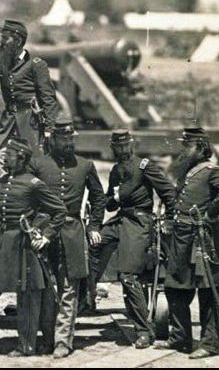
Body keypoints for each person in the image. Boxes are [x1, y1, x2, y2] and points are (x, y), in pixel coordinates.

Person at [0, 138, 69, 356]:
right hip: (5, 244)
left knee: (27, 295)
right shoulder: (3, 181)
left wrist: (45, 236)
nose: (5, 158)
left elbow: (60, 211)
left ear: (21, 158)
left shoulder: (34, 183)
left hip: (25, 245)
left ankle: (26, 346)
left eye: (9, 155)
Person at [156, 126, 219, 359]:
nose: (183, 150)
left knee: (209, 292)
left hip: (203, 239)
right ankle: (180, 339)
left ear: (201, 148)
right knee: (175, 288)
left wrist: (210, 214)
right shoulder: (188, 170)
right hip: (182, 239)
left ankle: (210, 344)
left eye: (188, 146)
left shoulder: (211, 171)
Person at [87, 129, 176, 349]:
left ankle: (144, 330)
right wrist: (115, 197)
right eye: (117, 147)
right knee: (90, 244)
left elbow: (169, 193)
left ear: (131, 145)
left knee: (128, 275)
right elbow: (109, 204)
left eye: (124, 146)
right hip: (121, 220)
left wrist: (169, 220)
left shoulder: (144, 166)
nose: (121, 150)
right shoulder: (116, 170)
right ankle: (86, 297)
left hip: (140, 222)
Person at [31, 117, 107, 358]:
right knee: (44, 287)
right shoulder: (38, 164)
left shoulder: (85, 165)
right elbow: (27, 196)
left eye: (70, 138)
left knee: (69, 288)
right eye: (62, 138)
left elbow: (98, 198)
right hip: (43, 231)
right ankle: (47, 338)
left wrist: (94, 226)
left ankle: (63, 341)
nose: (67, 143)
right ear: (53, 139)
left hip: (73, 231)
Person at [0, 19, 64, 205]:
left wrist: (50, 130)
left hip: (30, 124)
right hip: (8, 124)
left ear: (18, 41)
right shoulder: (2, 62)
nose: (2, 43)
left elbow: (49, 99)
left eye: (6, 39)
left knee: (33, 166)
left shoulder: (36, 65)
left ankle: (33, 205)